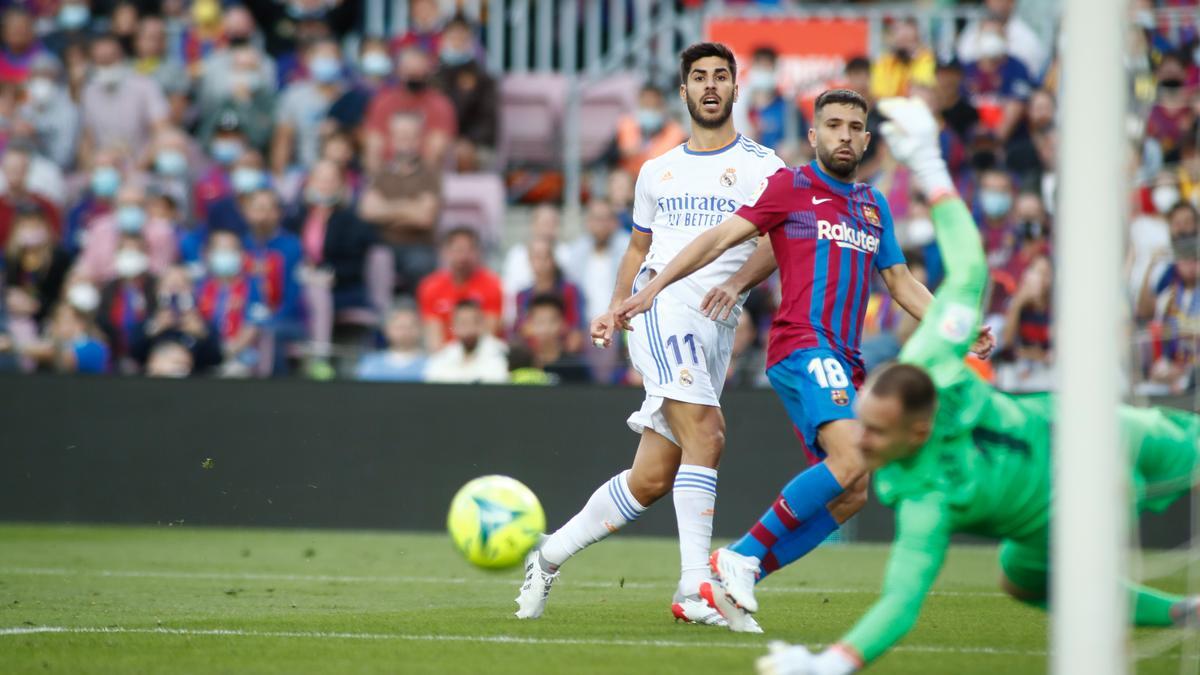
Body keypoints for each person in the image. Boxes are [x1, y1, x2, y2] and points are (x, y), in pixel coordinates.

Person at [750, 96, 1200, 675]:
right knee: (1023, 577)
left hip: (1105, 449)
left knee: (1026, 572)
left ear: (918, 428)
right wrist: (931, 170)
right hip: (1086, 475)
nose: (863, 442)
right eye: (866, 424)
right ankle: (1185, 613)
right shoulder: (933, 367)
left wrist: (833, 664)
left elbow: (901, 602)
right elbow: (968, 270)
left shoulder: (924, 489)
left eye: (876, 433)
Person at [615, 88, 994, 631]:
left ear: (866, 139)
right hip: (802, 343)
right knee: (849, 458)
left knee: (853, 490)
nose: (844, 135)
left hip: (846, 357)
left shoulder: (871, 203)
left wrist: (956, 330)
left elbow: (901, 282)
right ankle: (740, 555)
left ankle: (728, 585)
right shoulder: (791, 186)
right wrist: (652, 289)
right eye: (833, 125)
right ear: (815, 136)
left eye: (853, 127)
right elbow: (719, 238)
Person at [515, 43, 786, 629]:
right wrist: (617, 307)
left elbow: (774, 244)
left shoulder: (767, 167)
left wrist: (738, 282)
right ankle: (694, 588)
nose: (710, 86)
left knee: (654, 477)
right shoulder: (657, 170)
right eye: (698, 78)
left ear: (736, 90)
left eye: (721, 77)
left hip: (715, 322)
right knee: (708, 434)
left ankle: (549, 552)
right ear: (683, 93)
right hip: (662, 309)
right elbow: (639, 248)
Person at [416, 226, 503, 351]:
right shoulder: (430, 287)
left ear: (477, 252)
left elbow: (489, 333)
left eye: (469, 250)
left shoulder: (492, 284)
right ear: (445, 252)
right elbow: (433, 337)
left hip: (481, 355)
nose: (463, 256)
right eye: (458, 250)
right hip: (446, 357)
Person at [424, 298, 507, 384]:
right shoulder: (441, 358)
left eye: (474, 322)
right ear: (453, 326)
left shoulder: (502, 353)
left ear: (482, 324)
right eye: (463, 323)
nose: (469, 329)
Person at [616, 84, 688, 176]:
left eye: (653, 105)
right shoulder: (625, 125)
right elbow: (612, 156)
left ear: (662, 105)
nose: (649, 109)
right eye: (646, 104)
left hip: (664, 180)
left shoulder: (676, 132)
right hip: (631, 179)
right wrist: (623, 153)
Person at [355, 304, 428, 382]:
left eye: (411, 326)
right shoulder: (370, 364)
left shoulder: (431, 363)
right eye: (400, 327)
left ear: (421, 329)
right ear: (386, 330)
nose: (406, 332)